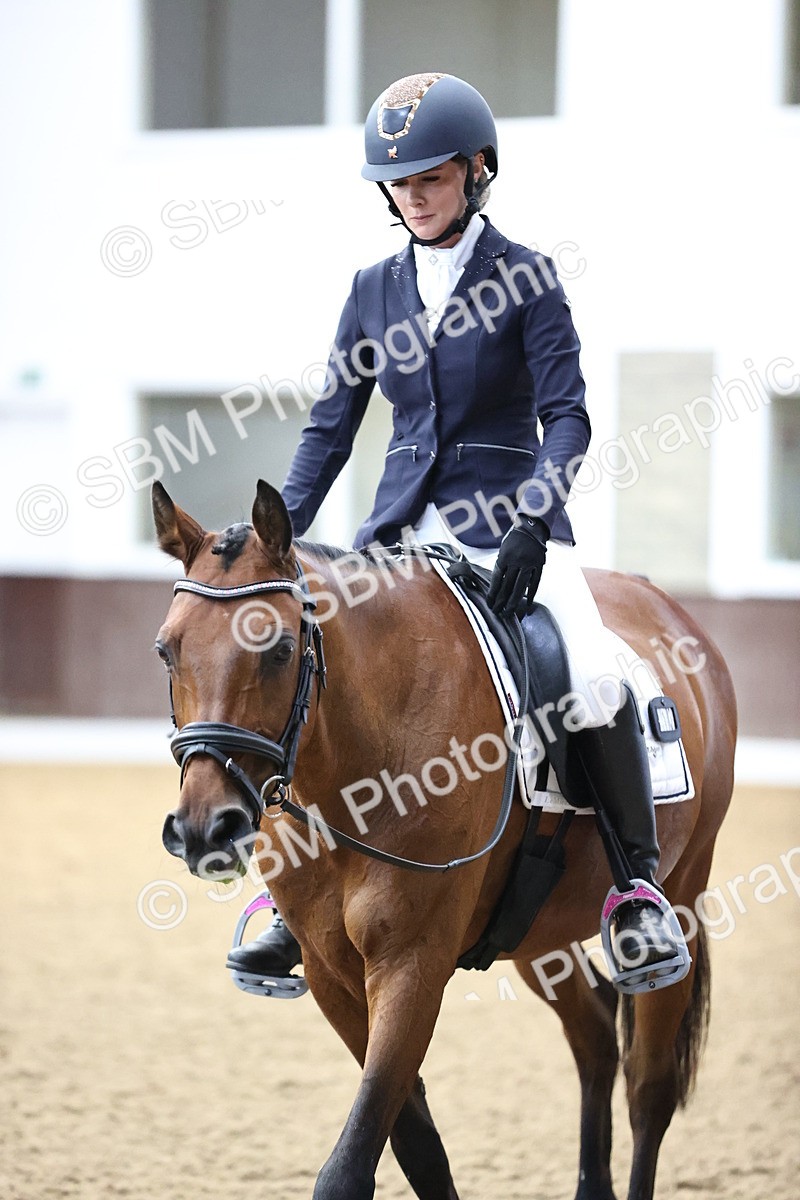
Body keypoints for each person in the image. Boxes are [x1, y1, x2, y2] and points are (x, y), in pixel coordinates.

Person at [227, 72, 689, 995]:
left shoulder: (526, 277)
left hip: (511, 529)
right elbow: (330, 427)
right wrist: (276, 538)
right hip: (398, 532)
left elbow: (568, 419)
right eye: (398, 185)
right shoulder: (371, 290)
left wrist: (531, 517)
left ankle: (636, 894)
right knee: (321, 672)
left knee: (592, 672)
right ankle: (287, 895)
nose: (413, 197)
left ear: (477, 171)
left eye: (430, 179)